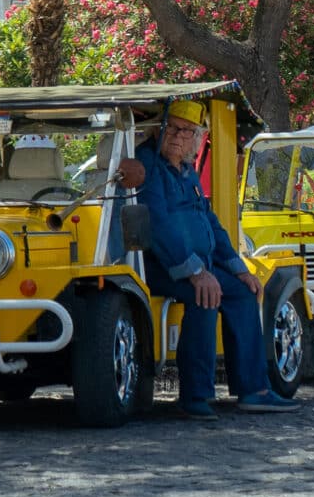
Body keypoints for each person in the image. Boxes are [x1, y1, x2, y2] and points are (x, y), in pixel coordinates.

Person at [118, 98, 293, 419]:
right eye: (171, 128)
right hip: (161, 266)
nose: (177, 136)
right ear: (159, 131)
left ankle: (254, 390)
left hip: (199, 265)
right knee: (206, 296)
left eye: (186, 131)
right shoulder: (149, 168)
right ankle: (195, 395)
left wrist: (237, 268)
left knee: (244, 291)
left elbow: (211, 223)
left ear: (197, 139)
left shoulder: (186, 171)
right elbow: (158, 226)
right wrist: (196, 272)